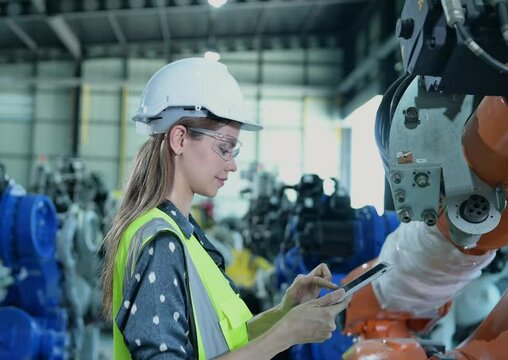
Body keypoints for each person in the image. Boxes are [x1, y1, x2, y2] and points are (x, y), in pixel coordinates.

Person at [100, 57, 349, 360]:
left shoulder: (185, 235)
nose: (232, 164)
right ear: (179, 138)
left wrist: (285, 313)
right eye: (224, 147)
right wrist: (286, 334)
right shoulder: (161, 243)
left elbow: (226, 341)